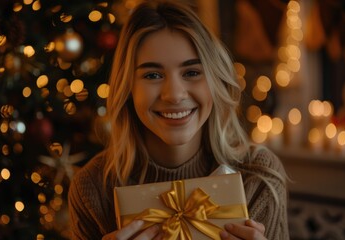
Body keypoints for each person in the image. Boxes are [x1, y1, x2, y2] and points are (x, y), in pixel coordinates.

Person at [68, 0, 289, 239]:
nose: (174, 95)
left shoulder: (258, 178)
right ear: (128, 88)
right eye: (152, 75)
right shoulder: (92, 189)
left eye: (192, 72)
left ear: (215, 80)